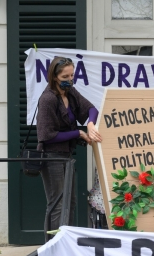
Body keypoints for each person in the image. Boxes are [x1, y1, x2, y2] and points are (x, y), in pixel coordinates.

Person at [36, 56, 102, 238]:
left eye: (72, 75)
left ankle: (65, 243)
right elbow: (46, 136)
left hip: (66, 156)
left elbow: (91, 109)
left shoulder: (70, 93)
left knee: (70, 202)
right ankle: (52, 245)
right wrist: (78, 133)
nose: (70, 80)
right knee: (57, 203)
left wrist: (90, 124)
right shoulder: (48, 99)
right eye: (65, 77)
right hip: (51, 157)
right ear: (55, 77)